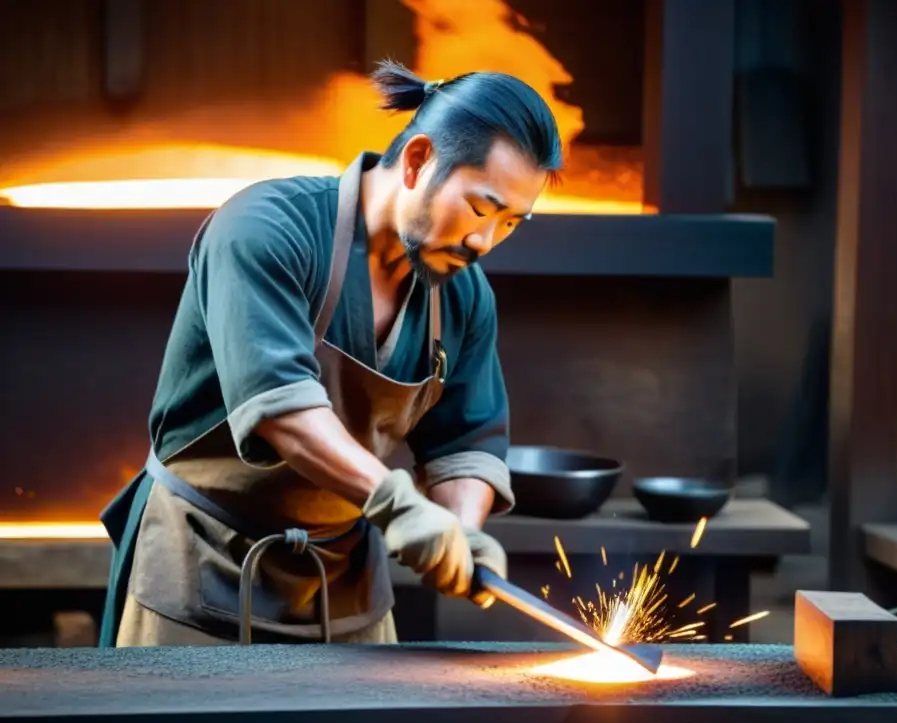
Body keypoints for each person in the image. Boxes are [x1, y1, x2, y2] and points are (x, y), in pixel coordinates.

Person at [97, 60, 564, 647]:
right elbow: (282, 410)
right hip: (200, 566)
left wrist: (458, 531)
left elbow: (465, 445)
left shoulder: (464, 296)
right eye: (478, 208)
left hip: (344, 583)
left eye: (511, 222)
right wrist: (399, 506)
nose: (484, 241)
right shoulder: (265, 229)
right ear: (419, 159)